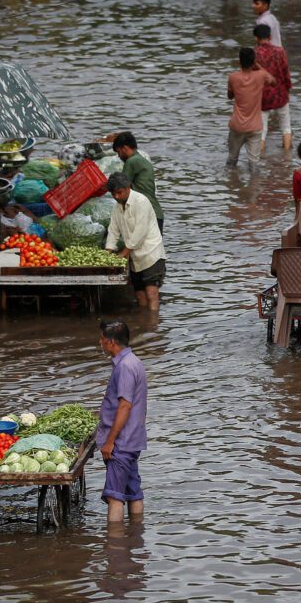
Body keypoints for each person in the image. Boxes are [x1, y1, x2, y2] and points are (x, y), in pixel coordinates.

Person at [96, 321, 149, 522]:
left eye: (101, 339)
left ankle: (115, 545)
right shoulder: (135, 362)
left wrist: (110, 441)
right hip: (133, 439)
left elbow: (125, 406)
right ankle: (136, 535)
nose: (99, 343)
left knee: (114, 495)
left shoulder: (125, 367)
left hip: (122, 442)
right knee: (133, 490)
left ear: (110, 342)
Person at [104, 173, 167, 312]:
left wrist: (124, 253)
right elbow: (113, 230)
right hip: (135, 257)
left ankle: (153, 327)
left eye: (119, 193)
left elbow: (140, 232)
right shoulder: (117, 207)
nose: (116, 197)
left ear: (128, 188)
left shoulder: (141, 202)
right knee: (139, 295)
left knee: (151, 293)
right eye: (114, 194)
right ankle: (145, 324)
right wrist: (108, 252)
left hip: (151, 254)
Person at [227, 47, 276, 169]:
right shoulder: (261, 75)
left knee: (232, 160)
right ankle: (254, 186)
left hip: (237, 126)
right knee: (254, 164)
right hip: (255, 127)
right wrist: (258, 66)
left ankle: (231, 184)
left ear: (239, 61)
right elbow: (274, 81)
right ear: (254, 61)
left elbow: (230, 96)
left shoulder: (233, 77)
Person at [112, 132, 164, 234]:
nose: (118, 156)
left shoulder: (132, 161)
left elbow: (119, 185)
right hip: (155, 213)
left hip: (148, 214)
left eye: (118, 152)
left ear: (125, 148)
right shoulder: (141, 159)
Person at [253, 24, 293, 153]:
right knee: (286, 128)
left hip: (262, 97)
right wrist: (288, 89)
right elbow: (286, 73)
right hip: (280, 95)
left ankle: (261, 159)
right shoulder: (280, 51)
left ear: (255, 38)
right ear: (270, 37)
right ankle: (287, 158)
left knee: (262, 132)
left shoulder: (254, 55)